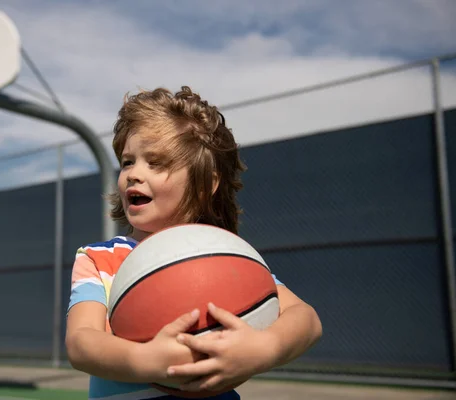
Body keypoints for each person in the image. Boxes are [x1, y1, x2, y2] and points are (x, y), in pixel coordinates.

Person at [65, 86, 323, 400]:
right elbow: (81, 342)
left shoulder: (225, 257)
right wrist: (145, 360)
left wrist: (265, 348)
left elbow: (306, 319)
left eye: (156, 163)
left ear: (206, 184)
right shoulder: (100, 259)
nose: (134, 174)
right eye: (128, 162)